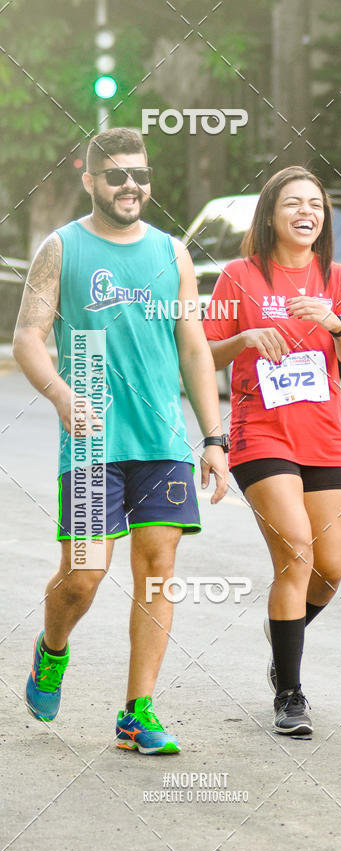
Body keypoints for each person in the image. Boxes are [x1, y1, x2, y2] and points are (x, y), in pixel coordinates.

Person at [13, 127, 228, 754]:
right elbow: (29, 337)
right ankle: (52, 651)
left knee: (158, 570)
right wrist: (59, 392)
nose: (131, 185)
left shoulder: (172, 252)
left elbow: (193, 348)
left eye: (140, 174)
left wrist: (212, 436)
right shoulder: (62, 248)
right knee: (83, 576)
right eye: (116, 175)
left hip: (161, 438)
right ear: (90, 181)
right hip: (89, 442)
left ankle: (138, 711)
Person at [203, 166, 341, 736]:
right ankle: (289, 693)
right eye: (293, 203)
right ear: (270, 213)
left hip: (324, 437)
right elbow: (203, 355)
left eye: (316, 205)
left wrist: (337, 323)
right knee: (296, 552)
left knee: (332, 568)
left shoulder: (337, 276)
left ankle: (283, 630)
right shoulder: (239, 277)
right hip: (261, 435)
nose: (307, 213)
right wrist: (244, 339)